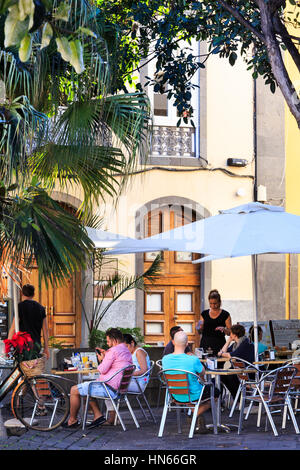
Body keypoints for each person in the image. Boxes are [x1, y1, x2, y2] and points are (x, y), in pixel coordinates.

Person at [62, 328, 132, 429]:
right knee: (87, 388)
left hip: (109, 388)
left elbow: (102, 369)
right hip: (119, 389)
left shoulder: (113, 351)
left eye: (108, 341)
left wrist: (101, 359)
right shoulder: (126, 350)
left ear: (115, 341)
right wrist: (107, 355)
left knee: (74, 390)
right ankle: (98, 416)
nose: (107, 344)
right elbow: (117, 363)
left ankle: (72, 420)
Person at [162, 330, 219, 434]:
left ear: (173, 342)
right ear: (187, 344)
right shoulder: (192, 359)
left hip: (174, 395)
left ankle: (194, 411)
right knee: (215, 392)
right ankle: (195, 412)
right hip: (193, 395)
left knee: (194, 389)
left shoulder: (165, 359)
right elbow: (202, 372)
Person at [8, 284, 49, 360]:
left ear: (22, 294)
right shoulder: (41, 308)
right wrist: (46, 348)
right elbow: (45, 330)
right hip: (36, 345)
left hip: (22, 345)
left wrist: (8, 346)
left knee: (22, 368)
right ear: (34, 294)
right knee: (33, 369)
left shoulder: (19, 307)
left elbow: (13, 328)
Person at [217, 324, 255, 399]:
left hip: (248, 372)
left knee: (229, 377)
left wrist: (222, 353)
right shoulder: (236, 344)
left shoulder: (245, 343)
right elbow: (223, 353)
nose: (229, 335)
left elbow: (232, 355)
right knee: (221, 377)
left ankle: (238, 399)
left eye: (230, 333)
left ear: (234, 335)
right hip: (238, 371)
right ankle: (236, 398)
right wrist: (228, 341)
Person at [197, 289, 232, 356]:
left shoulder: (225, 314)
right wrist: (198, 327)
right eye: (211, 303)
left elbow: (230, 333)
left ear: (220, 302)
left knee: (219, 365)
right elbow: (199, 331)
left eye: (215, 303)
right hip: (205, 344)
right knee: (205, 364)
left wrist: (224, 329)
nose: (213, 306)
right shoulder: (204, 314)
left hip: (219, 344)